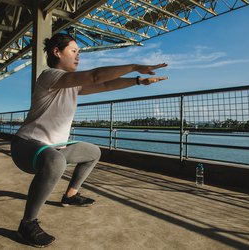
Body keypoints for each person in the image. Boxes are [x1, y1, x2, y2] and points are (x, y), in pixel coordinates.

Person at [10, 33, 168, 248]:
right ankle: (27, 223)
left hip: (54, 147)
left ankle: (71, 195)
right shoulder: (49, 76)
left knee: (93, 151)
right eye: (73, 51)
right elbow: (95, 77)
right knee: (55, 161)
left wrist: (138, 81)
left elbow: (104, 86)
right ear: (57, 52)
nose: (78, 56)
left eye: (79, 53)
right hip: (26, 145)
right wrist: (134, 66)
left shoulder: (73, 85)